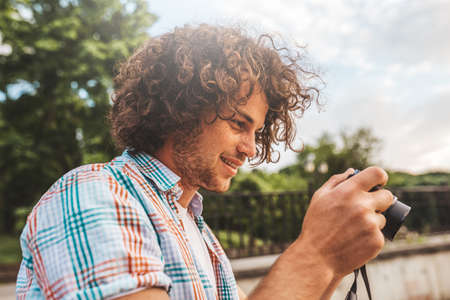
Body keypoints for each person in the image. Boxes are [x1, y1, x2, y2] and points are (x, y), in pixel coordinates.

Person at [16, 24, 394, 300]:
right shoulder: (92, 193)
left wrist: (335, 262)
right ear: (180, 109)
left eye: (257, 131)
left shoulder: (196, 229)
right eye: (238, 124)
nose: (250, 148)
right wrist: (318, 253)